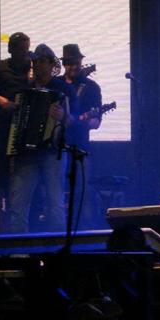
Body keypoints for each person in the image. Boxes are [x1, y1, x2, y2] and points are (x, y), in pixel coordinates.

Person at [6, 43, 70, 233]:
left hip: (53, 152)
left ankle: (57, 247)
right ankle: (18, 247)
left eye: (41, 61)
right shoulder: (25, 90)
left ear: (51, 64)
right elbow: (17, 122)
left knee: (55, 203)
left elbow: (72, 120)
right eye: (35, 62)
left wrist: (62, 116)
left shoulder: (61, 88)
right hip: (27, 153)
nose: (37, 65)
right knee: (18, 205)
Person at [52, 43, 103, 229]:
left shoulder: (92, 87)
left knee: (82, 192)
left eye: (76, 62)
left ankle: (83, 231)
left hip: (80, 147)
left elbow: (95, 122)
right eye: (69, 63)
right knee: (54, 193)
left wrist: (76, 121)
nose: (73, 66)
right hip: (55, 147)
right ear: (64, 64)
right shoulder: (55, 84)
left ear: (81, 62)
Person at [0, 32, 32, 188]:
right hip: (4, 124)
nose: (24, 53)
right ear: (11, 49)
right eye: (20, 49)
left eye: (26, 49)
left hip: (27, 126)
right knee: (4, 169)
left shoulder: (32, 67)